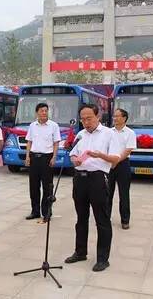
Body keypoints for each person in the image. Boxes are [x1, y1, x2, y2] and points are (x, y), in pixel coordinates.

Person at [65, 104, 120, 272]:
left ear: (98, 117)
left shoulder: (109, 134)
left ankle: (103, 258)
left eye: (89, 118)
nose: (86, 122)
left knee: (101, 220)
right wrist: (75, 159)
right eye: (83, 119)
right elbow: (73, 153)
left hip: (98, 178)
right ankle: (80, 252)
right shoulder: (81, 135)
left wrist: (99, 155)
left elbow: (116, 159)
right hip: (80, 179)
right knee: (81, 218)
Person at [25, 103, 61, 222]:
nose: (44, 113)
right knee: (33, 187)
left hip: (47, 158)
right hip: (34, 158)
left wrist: (54, 157)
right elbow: (29, 142)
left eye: (46, 110)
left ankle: (46, 212)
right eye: (42, 111)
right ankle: (35, 211)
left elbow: (56, 143)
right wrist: (27, 156)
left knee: (47, 187)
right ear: (37, 113)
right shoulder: (32, 126)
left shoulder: (53, 126)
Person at [108, 108, 136, 230]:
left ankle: (125, 220)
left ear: (124, 118)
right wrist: (110, 161)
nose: (115, 118)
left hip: (123, 164)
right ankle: (105, 217)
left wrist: (116, 161)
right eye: (114, 116)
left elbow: (128, 150)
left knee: (123, 194)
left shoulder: (130, 133)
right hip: (109, 164)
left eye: (117, 116)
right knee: (107, 193)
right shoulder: (108, 132)